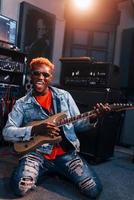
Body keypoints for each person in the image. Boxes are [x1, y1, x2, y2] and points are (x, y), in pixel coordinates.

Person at [2, 57, 111, 198]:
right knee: (19, 188)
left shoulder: (64, 96)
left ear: (50, 77)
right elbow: (7, 132)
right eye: (36, 73)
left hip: (66, 154)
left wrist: (94, 117)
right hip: (37, 154)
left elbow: (78, 125)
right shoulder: (22, 104)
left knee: (93, 190)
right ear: (31, 75)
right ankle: (49, 170)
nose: (41, 77)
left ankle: (57, 169)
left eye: (45, 75)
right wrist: (35, 129)